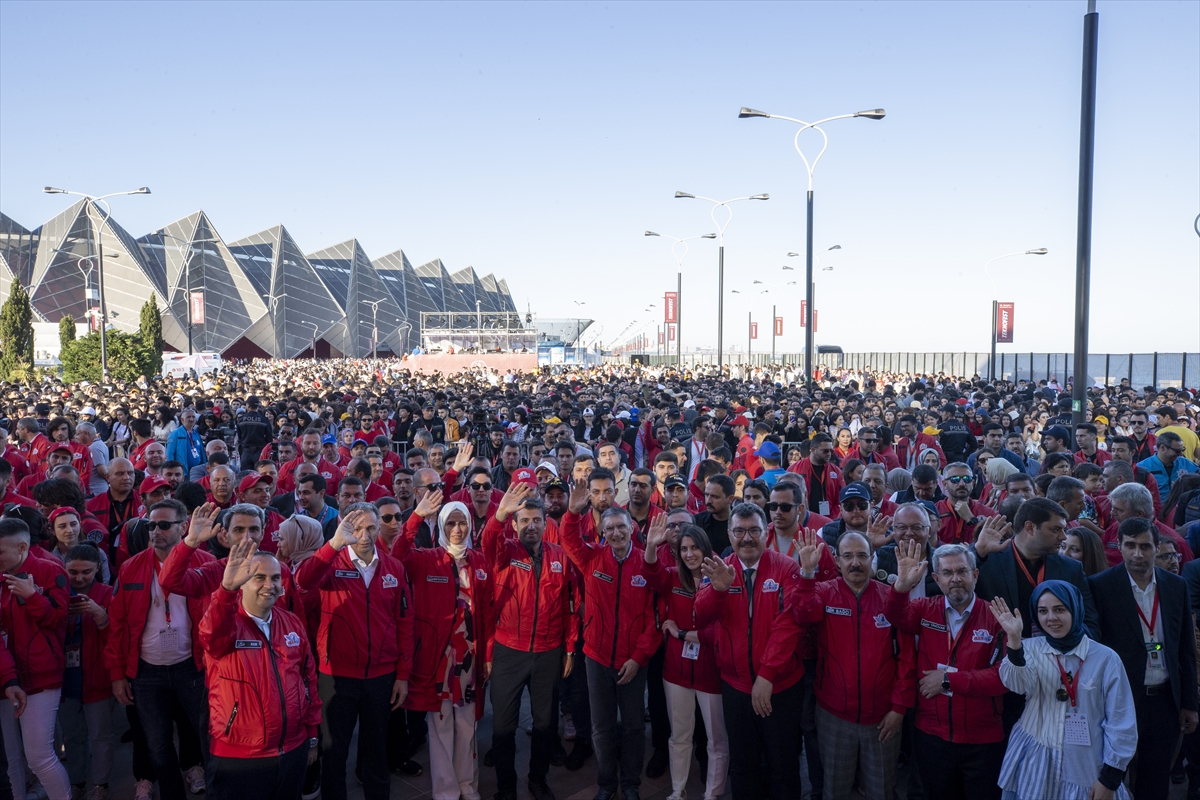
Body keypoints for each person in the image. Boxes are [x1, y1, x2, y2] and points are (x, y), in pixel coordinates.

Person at [295, 504, 413, 800]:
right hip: (336, 677)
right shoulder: (330, 564)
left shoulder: (394, 568)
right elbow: (303, 582)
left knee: (376, 752)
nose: (364, 535)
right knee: (334, 755)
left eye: (371, 528)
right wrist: (334, 544)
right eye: (356, 528)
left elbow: (405, 623)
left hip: (381, 677)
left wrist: (402, 675)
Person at [792, 528, 916, 800]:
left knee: (881, 789)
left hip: (882, 718)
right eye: (848, 556)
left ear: (873, 559)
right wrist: (807, 573)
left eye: (862, 555)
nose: (855, 563)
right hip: (833, 715)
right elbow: (802, 614)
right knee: (834, 789)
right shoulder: (824, 592)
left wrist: (898, 709)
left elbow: (907, 659)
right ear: (837, 561)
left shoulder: (890, 599)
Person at [103, 499, 213, 800]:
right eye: (150, 525)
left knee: (209, 738)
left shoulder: (205, 563)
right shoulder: (130, 568)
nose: (155, 531)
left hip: (193, 668)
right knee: (158, 746)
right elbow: (118, 624)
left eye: (164, 525)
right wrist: (117, 674)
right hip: (146, 672)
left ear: (183, 527)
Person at [694, 502, 804, 800]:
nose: (746, 538)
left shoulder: (786, 567)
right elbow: (700, 617)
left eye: (754, 530)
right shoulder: (719, 567)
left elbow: (789, 626)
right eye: (739, 531)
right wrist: (717, 591)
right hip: (736, 687)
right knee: (743, 766)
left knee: (783, 766)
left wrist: (766, 676)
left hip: (781, 687)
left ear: (765, 532)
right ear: (729, 534)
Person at [560, 483, 661, 800]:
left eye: (621, 527)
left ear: (632, 528)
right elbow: (569, 539)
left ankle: (630, 784)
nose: (616, 533)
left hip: (633, 663)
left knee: (632, 727)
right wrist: (573, 512)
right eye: (610, 529)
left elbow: (652, 620)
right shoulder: (592, 559)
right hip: (596, 658)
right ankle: (606, 784)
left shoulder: (647, 565)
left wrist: (638, 657)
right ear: (602, 532)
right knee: (601, 727)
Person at [886, 540, 1008, 800]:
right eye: (948, 573)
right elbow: (895, 615)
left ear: (975, 575)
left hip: (982, 739)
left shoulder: (996, 616)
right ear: (936, 579)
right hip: (932, 734)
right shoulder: (924, 609)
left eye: (962, 571)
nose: (956, 579)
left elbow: (1003, 677)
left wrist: (948, 680)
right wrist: (901, 586)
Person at [990, 582, 1137, 799]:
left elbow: (1121, 721)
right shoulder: (1029, 648)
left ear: (1075, 609)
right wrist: (1014, 639)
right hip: (1035, 758)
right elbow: (1017, 683)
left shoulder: (1105, 658)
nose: (1051, 618)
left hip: (1086, 763)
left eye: (1060, 609)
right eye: (1043, 611)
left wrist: (1110, 777)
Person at [1088, 517, 1199, 800]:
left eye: (1145, 546)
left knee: (1156, 777)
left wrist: (1189, 703)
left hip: (1164, 700)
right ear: (1120, 547)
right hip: (1120, 700)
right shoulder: (1100, 587)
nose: (1138, 554)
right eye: (1130, 546)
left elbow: (1185, 648)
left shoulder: (1175, 585)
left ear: (1157, 546)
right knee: (1112, 775)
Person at [199, 540, 320, 800]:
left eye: (276, 577)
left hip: (292, 750)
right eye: (259, 577)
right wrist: (225, 591)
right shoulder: (225, 624)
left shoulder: (291, 623)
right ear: (241, 582)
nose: (270, 585)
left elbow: (308, 681)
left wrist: (311, 735)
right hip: (240, 759)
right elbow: (210, 634)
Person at [481, 484, 578, 800]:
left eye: (537, 520)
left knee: (544, 725)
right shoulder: (504, 551)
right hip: (509, 651)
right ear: (515, 523)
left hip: (549, 652)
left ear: (545, 523)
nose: (532, 526)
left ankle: (538, 780)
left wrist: (569, 647)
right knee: (503, 727)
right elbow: (486, 542)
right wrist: (499, 514)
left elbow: (569, 606)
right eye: (524, 520)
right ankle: (506, 787)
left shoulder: (559, 556)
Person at [391, 495, 492, 800]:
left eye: (463, 522)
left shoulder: (479, 561)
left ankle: (467, 786)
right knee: (441, 727)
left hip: (470, 661)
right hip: (438, 662)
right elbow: (398, 553)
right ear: (442, 526)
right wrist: (416, 517)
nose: (458, 528)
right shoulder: (426, 559)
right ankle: (446, 792)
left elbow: (488, 609)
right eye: (451, 523)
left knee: (467, 726)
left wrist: (488, 656)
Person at [643, 517, 729, 800]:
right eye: (683, 548)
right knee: (679, 735)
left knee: (716, 740)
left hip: (711, 672)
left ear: (706, 549)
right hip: (676, 671)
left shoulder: (720, 578)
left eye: (694, 548)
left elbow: (718, 629)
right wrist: (652, 547)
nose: (689, 554)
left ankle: (712, 794)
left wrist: (682, 634)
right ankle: (677, 790)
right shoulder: (672, 576)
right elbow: (652, 573)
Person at [0, 515, 72, 800]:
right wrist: (8, 677)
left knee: (40, 757)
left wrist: (32, 596)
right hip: (7, 677)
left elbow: (59, 621)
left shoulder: (48, 571)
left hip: (41, 677)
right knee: (13, 757)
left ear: (20, 548)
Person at [57, 542, 115, 800]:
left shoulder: (108, 594)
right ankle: (77, 781)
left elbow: (117, 641)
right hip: (65, 679)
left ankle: (101, 784)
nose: (79, 578)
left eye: (86, 572)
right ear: (64, 568)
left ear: (97, 569)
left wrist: (100, 615)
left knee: (100, 734)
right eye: (73, 572)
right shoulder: (56, 594)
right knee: (72, 735)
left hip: (97, 677)